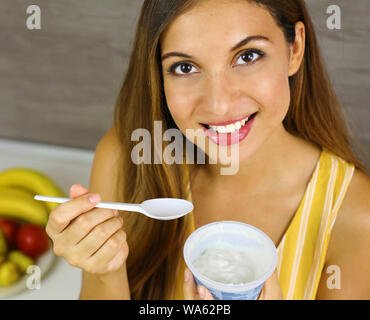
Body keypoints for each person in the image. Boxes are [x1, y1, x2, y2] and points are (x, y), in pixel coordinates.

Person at [45, 0, 370, 300]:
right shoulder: (126, 158)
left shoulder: (354, 215)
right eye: (185, 67)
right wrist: (104, 271)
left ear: (295, 49)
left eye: (247, 56)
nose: (219, 104)